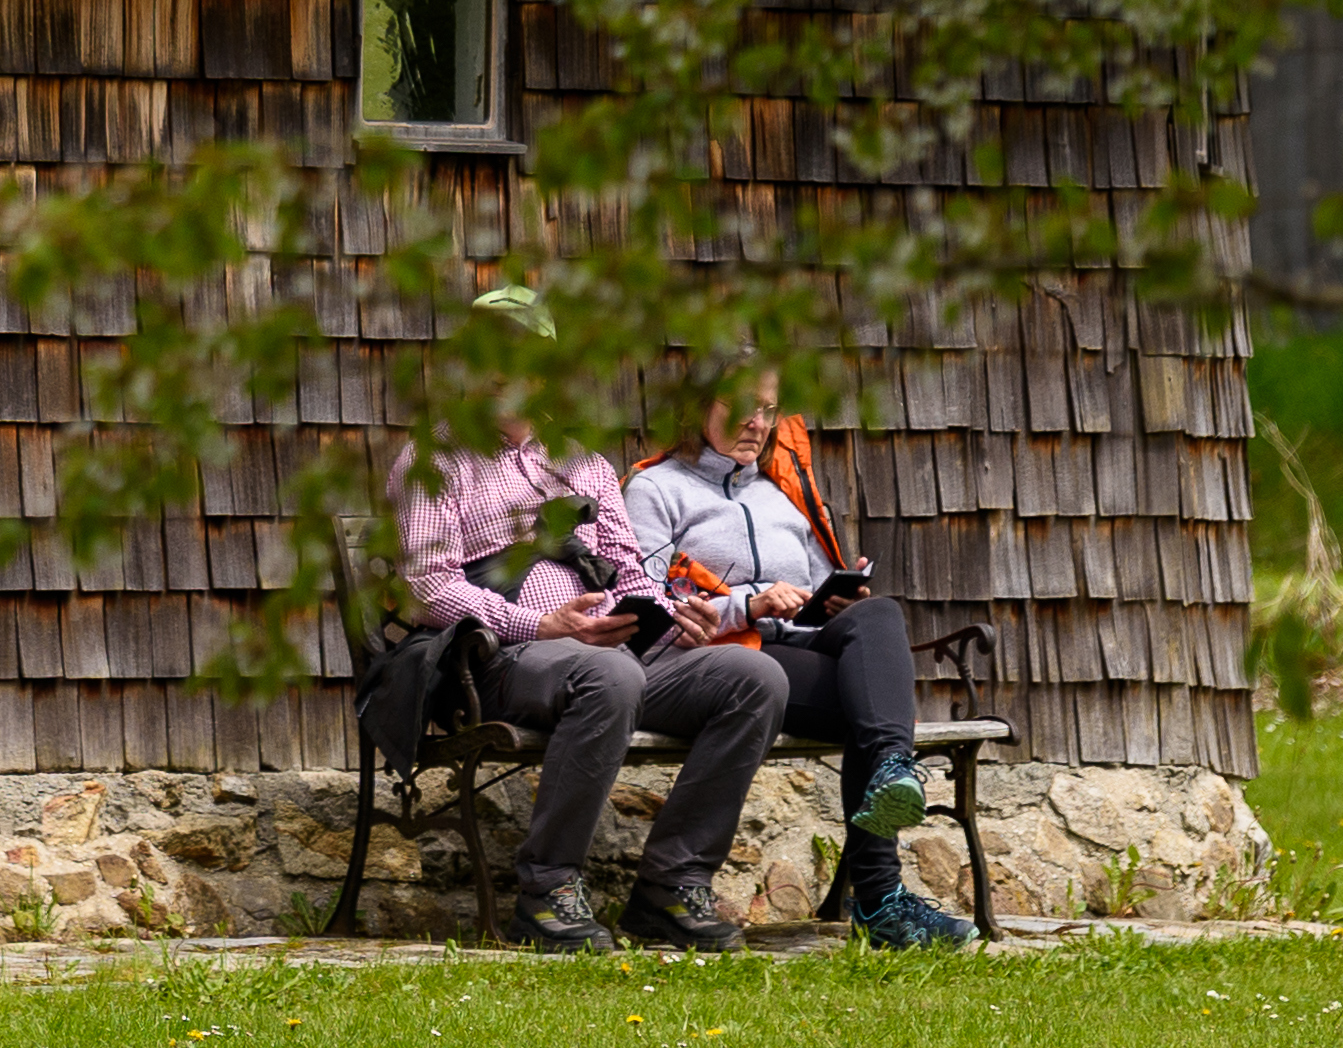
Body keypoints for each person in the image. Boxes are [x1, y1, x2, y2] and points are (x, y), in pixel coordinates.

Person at [397, 396, 791, 954]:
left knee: (755, 677)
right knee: (608, 676)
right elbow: (429, 585)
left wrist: (675, 610)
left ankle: (671, 888)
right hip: (498, 660)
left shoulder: (583, 463)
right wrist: (539, 624)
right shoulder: (434, 459)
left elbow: (630, 568)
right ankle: (547, 890)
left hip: (617, 653)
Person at [631, 379, 982, 949]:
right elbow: (649, 607)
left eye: (767, 410)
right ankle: (881, 901)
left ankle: (894, 770)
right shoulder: (654, 489)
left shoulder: (780, 493)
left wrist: (836, 599)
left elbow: (817, 588)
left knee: (878, 617)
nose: (757, 422)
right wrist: (746, 604)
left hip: (800, 645)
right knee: (872, 707)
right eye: (741, 407)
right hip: (728, 658)